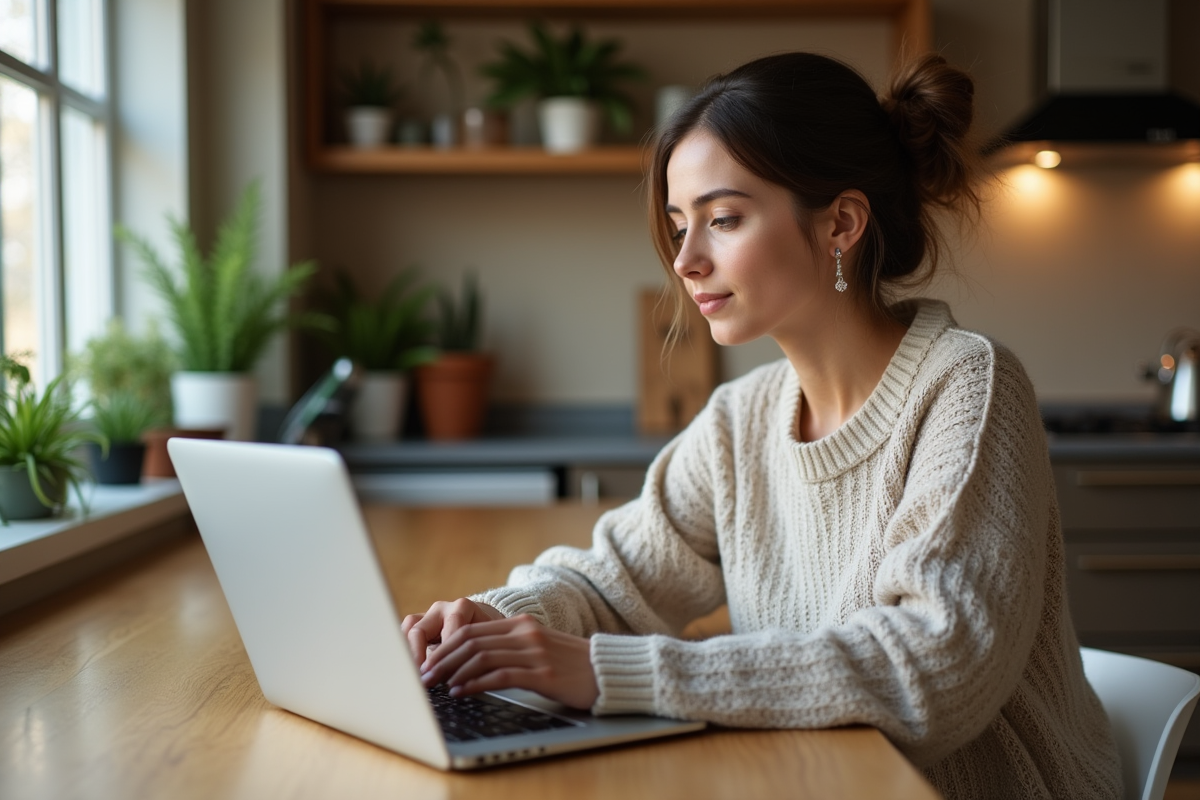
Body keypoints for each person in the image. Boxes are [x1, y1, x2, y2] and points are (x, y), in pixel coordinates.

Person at [402, 52, 1122, 798]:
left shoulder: (968, 387)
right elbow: (614, 584)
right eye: (679, 225)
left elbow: (933, 670)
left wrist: (607, 672)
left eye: (722, 219)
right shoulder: (741, 420)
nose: (685, 260)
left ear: (841, 222)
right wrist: (482, 622)